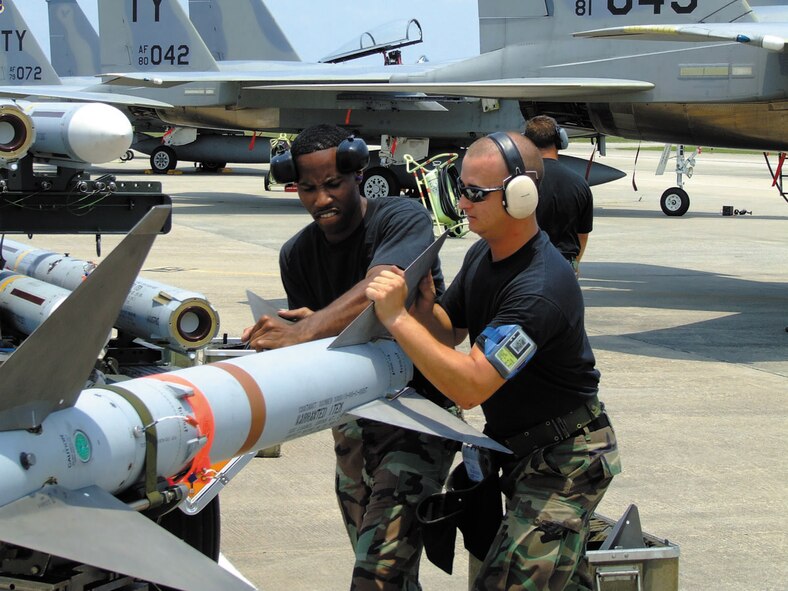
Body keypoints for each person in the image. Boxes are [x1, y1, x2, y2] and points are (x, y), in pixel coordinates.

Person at [365, 131, 620, 590]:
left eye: (475, 194)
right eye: (459, 188)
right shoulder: (486, 253)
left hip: (566, 459)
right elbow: (450, 329)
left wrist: (398, 319)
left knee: (505, 582)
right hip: (519, 451)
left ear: (522, 197)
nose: (462, 203)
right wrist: (421, 307)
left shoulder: (540, 288)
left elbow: (470, 386)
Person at [242, 124, 457, 590]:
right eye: (308, 188)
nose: (321, 200)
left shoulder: (402, 218)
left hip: (416, 416)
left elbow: (380, 293)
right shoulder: (296, 254)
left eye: (333, 184)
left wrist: (303, 330)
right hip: (354, 421)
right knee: (382, 565)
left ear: (357, 175)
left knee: (376, 575)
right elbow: (319, 341)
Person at [524, 115, 593, 277]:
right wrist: (574, 264)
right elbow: (582, 234)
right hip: (563, 268)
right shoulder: (579, 184)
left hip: (526, 266)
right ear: (560, 140)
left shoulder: (519, 183)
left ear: (526, 143)